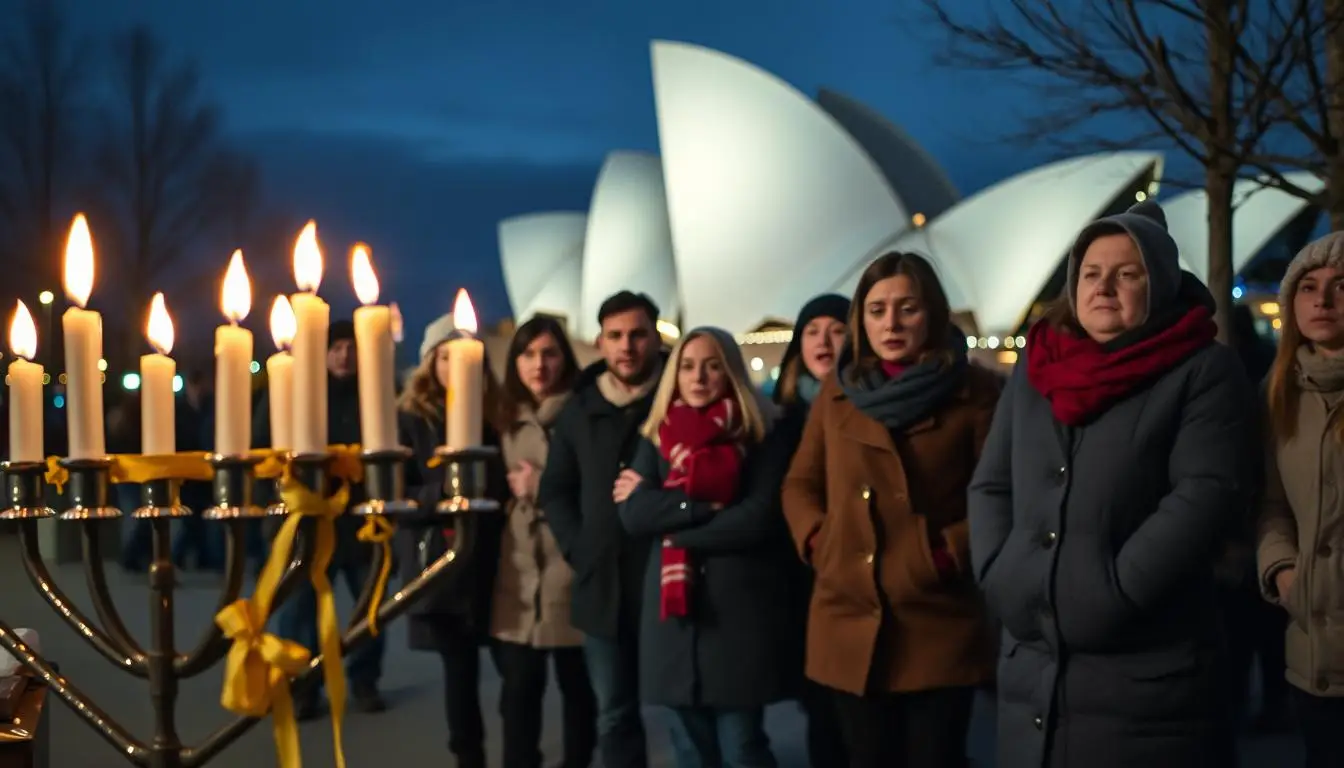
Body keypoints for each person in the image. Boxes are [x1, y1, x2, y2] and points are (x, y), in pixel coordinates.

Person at [970, 201, 1252, 767]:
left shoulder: (1202, 369)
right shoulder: (1038, 368)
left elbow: (1205, 491)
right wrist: (999, 571)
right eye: (1091, 274)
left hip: (1146, 663)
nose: (1105, 288)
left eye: (1128, 274)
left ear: (1162, 283)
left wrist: (1114, 592)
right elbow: (991, 484)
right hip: (1033, 662)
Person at [781, 252, 998, 768]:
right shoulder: (840, 388)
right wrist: (820, 542)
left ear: (934, 313)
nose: (891, 323)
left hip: (936, 614)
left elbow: (999, 493)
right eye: (877, 310)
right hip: (848, 611)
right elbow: (799, 482)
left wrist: (943, 555)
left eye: (907, 308)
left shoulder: (979, 391)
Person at [619, 326, 790, 767]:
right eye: (688, 367)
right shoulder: (657, 435)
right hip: (673, 622)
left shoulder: (760, 434)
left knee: (742, 748)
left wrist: (669, 522)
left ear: (731, 372)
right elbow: (632, 515)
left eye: (712, 366)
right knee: (689, 750)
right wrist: (701, 507)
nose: (698, 377)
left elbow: (757, 520)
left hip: (737, 618)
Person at [538, 291, 666, 768]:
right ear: (600, 342)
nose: (627, 346)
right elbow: (555, 489)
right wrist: (580, 547)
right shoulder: (580, 409)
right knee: (614, 713)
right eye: (615, 336)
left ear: (656, 336)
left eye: (637, 335)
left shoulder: (679, 397)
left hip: (669, 578)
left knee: (684, 707)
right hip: (603, 584)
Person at [396, 312, 507, 768]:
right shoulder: (409, 421)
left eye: (463, 357)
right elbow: (395, 491)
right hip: (440, 561)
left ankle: (521, 750)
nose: (454, 365)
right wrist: (437, 493)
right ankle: (469, 757)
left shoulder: (495, 416)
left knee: (516, 668)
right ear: (429, 364)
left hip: (494, 559)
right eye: (445, 357)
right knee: (459, 671)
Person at [265, 319, 388, 719]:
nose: (345, 355)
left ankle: (364, 678)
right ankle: (304, 684)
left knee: (369, 606)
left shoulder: (376, 395)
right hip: (309, 521)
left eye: (351, 347)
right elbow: (266, 450)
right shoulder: (299, 394)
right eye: (336, 347)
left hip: (362, 521)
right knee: (299, 608)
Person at [490, 315, 597, 768]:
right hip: (516, 572)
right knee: (517, 691)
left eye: (550, 353)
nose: (539, 364)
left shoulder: (584, 414)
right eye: (529, 354)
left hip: (568, 568)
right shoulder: (501, 419)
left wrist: (545, 486)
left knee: (578, 686)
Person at [1256, 231, 1344, 768]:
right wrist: (1284, 572)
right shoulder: (1278, 395)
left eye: (1340, 286)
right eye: (1308, 287)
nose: (1323, 300)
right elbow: (1269, 503)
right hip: (1311, 653)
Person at [771, 293, 850, 767]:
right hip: (799, 585)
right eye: (812, 330)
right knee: (821, 716)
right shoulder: (779, 421)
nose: (823, 340)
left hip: (857, 580)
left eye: (836, 329)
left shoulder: (873, 410)